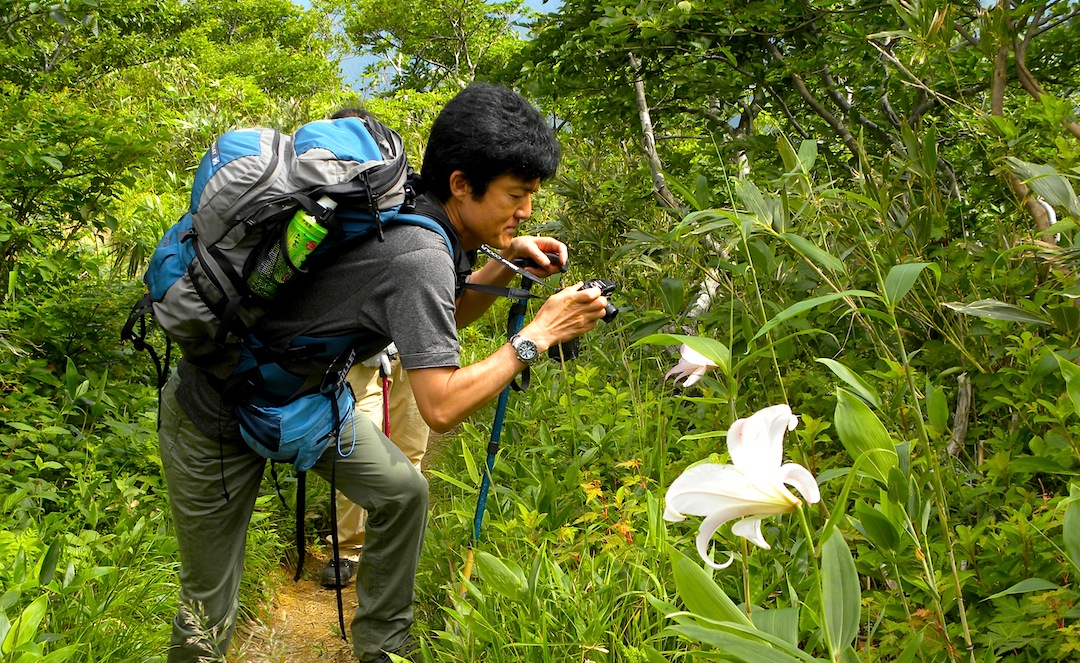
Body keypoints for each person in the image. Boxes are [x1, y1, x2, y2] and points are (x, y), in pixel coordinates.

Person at [157, 82, 609, 663]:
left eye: (531, 195)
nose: (525, 211)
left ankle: (383, 650)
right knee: (208, 600)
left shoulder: (423, 218)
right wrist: (537, 336)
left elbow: (439, 319)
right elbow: (441, 406)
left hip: (304, 397)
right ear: (461, 184)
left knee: (401, 494)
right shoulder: (419, 251)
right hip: (214, 407)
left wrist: (504, 266)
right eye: (516, 195)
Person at [322, 345, 429, 588]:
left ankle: (400, 551)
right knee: (353, 452)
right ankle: (347, 547)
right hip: (364, 346)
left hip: (420, 345)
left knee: (408, 451)